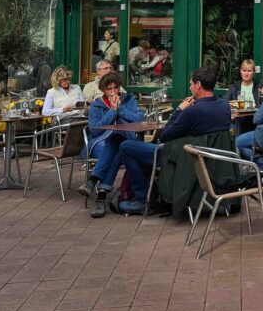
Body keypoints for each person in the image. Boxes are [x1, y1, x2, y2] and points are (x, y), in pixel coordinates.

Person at [117, 67, 232, 215]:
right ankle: (151, 195)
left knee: (126, 147)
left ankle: (142, 200)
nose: (190, 87)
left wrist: (179, 109)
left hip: (182, 160)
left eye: (191, 84)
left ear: (198, 85)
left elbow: (165, 136)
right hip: (212, 160)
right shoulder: (224, 106)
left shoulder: (192, 111)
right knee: (141, 150)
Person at [81, 72, 145, 218]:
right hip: (101, 142)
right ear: (103, 90)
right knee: (116, 144)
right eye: (109, 89)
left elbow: (138, 119)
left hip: (127, 140)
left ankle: (94, 182)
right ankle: (101, 194)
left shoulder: (128, 99)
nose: (114, 92)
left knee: (118, 143)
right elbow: (95, 130)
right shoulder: (97, 105)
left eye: (116, 88)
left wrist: (120, 108)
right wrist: (112, 111)